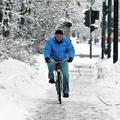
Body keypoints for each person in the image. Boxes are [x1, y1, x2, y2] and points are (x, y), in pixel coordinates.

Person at [44, 29, 75, 97]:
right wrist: (47, 57)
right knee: (50, 63)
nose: (58, 37)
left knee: (66, 74)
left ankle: (66, 91)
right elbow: (47, 49)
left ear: (62, 36)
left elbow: (71, 49)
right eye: (57, 36)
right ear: (55, 36)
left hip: (63, 59)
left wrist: (70, 57)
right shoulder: (50, 41)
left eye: (60, 36)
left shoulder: (66, 41)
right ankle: (51, 77)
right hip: (53, 58)